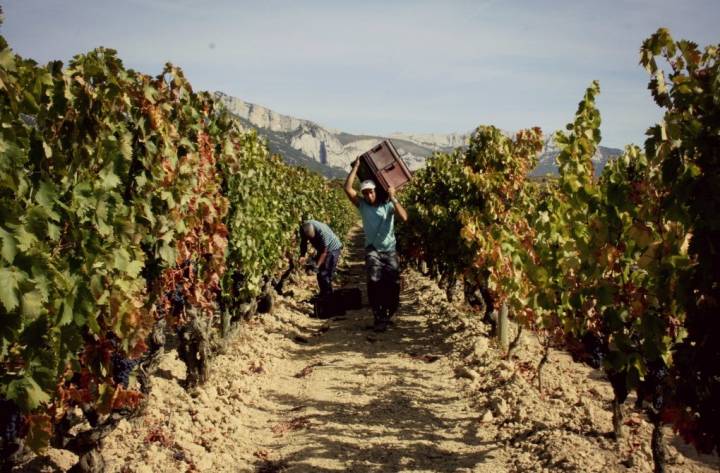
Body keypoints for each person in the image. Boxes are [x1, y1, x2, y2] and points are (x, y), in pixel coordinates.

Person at [344, 159, 408, 332]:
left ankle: (389, 312)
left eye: (370, 192)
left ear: (375, 191)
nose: (368, 195)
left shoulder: (387, 205)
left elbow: (404, 217)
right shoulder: (362, 205)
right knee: (373, 281)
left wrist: (394, 197)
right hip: (372, 250)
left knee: (392, 284)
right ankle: (378, 315)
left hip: (389, 250)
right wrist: (356, 167)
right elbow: (348, 189)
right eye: (365, 193)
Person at [299, 219, 343, 296]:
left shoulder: (323, 233)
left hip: (332, 249)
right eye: (309, 238)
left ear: (315, 232)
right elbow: (303, 242)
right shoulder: (303, 228)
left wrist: (317, 265)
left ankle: (328, 296)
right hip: (321, 249)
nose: (310, 240)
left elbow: (324, 252)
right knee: (320, 274)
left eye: (311, 238)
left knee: (325, 273)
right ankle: (324, 293)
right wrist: (302, 255)